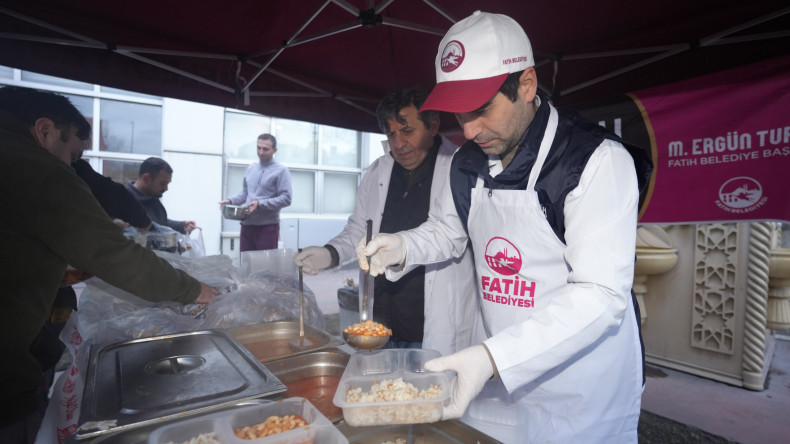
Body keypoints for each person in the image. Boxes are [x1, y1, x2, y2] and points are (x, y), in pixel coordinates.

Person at [357, 11, 653, 443]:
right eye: (459, 114)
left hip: (581, 392)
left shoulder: (595, 162)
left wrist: (493, 357)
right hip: (496, 378)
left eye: (481, 109)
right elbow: (447, 230)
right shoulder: (467, 162)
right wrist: (402, 246)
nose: (470, 129)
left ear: (527, 84)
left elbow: (600, 294)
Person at [0, 86, 219, 444]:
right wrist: (193, 289)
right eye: (72, 155)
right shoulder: (32, 165)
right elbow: (114, 254)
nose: (71, 166)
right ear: (45, 130)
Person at [294, 87, 482, 354]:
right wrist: (330, 253)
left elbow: (451, 233)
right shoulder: (377, 171)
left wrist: (403, 246)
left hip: (432, 322)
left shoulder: (461, 170)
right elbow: (359, 228)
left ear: (432, 126)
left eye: (407, 131)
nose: (398, 144)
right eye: (391, 134)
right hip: (381, 319)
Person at [219, 133, 292, 252]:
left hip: (267, 228)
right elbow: (245, 194)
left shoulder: (281, 171)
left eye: (265, 149)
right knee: (246, 261)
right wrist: (231, 201)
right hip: (247, 226)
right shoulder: (251, 168)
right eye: (258, 148)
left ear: (275, 150)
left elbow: (286, 199)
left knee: (264, 263)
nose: (261, 152)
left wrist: (260, 204)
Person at [127, 157, 197, 234]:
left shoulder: (152, 196)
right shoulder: (125, 203)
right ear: (146, 178)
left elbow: (160, 223)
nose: (166, 188)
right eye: (163, 184)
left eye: (167, 184)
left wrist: (181, 226)